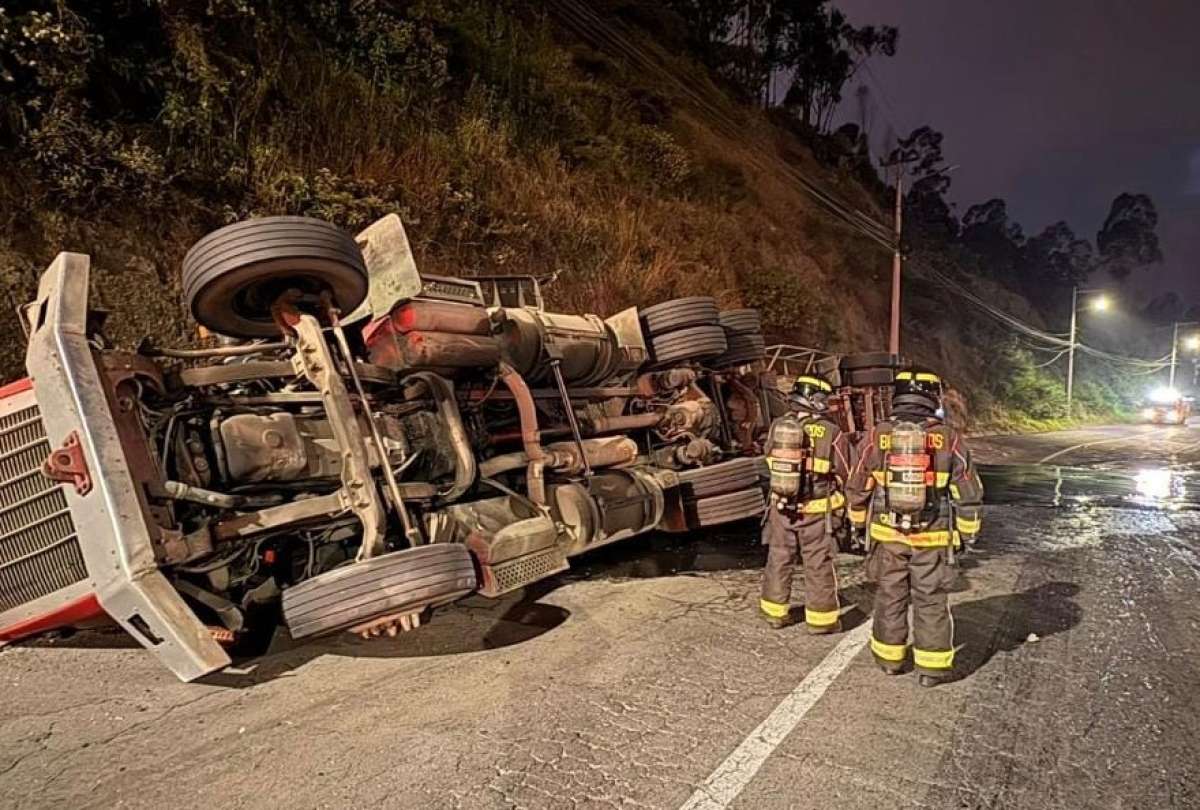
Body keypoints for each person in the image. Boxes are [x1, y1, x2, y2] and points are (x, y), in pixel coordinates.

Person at [847, 368, 983, 687]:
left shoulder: (877, 434)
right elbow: (968, 490)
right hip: (933, 535)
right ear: (931, 398)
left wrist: (856, 524)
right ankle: (931, 669)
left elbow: (858, 484)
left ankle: (890, 660)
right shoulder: (949, 438)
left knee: (890, 595)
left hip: (886, 535)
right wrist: (967, 534)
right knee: (931, 598)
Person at [760, 374, 852, 633]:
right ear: (817, 400)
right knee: (818, 562)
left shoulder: (779, 425)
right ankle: (821, 622)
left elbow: (768, 458)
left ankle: (774, 614)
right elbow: (847, 470)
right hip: (816, 512)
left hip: (781, 508)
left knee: (779, 557)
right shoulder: (831, 432)